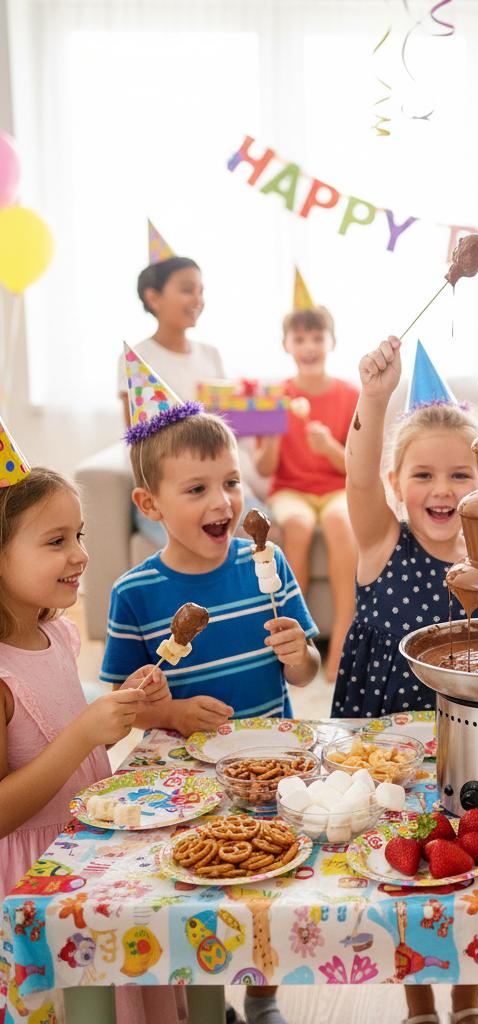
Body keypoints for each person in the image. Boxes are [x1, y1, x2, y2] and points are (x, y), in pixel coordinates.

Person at [102, 358, 319, 1024]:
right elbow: (118, 708)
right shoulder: (135, 594)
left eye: (229, 482)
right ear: (150, 505)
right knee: (198, 888)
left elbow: (309, 670)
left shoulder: (269, 564)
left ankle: (260, 995)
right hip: (181, 776)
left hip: (271, 765)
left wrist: (300, 654)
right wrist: (167, 708)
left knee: (266, 884)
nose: (223, 502)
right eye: (196, 489)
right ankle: (202, 997)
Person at [331, 336, 478, 1024]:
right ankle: (419, 1001)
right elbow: (356, 480)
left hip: (472, 738)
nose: (444, 490)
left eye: (462, 475)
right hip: (388, 742)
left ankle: (467, 999)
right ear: (398, 486)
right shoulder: (380, 541)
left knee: (475, 862)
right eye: (423, 475)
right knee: (407, 866)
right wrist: (374, 397)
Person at [0, 450, 180, 1023]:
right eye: (55, 542)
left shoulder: (59, 637)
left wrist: (118, 712)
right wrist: (84, 733)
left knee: (127, 992)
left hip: (92, 850)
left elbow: (62, 745)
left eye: (77, 535)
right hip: (36, 876)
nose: (80, 554)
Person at [119, 252, 267, 544]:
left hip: (215, 476)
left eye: (201, 291)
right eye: (187, 289)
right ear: (154, 297)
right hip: (175, 483)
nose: (198, 299)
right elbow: (137, 439)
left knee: (265, 531)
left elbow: (226, 426)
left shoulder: (210, 354)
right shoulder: (138, 358)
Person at [255, 303, 359, 679]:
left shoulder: (349, 395)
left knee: (339, 524)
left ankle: (344, 642)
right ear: (286, 345)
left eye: (317, 337)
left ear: (332, 341)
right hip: (290, 491)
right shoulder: (274, 395)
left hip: (335, 489)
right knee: (295, 527)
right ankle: (297, 639)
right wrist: (276, 436)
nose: (309, 345)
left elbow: (354, 467)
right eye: (300, 338)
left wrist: (330, 446)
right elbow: (265, 469)